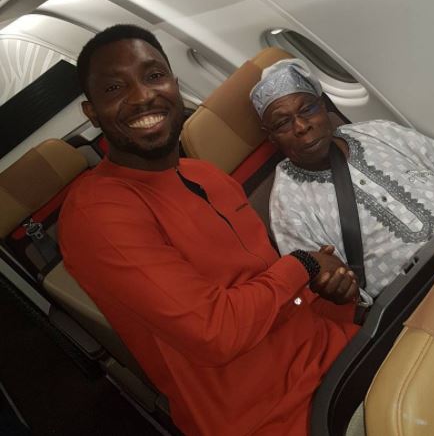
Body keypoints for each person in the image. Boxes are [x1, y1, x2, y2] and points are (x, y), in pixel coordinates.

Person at [59, 24, 360, 436]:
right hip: (274, 416)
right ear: (92, 113)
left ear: (174, 84)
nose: (142, 96)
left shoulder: (207, 175)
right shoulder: (97, 212)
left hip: (337, 354)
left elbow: (274, 291)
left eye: (153, 76)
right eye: (114, 88)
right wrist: (305, 265)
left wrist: (332, 296)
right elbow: (215, 332)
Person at [251, 59, 434, 300]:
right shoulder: (287, 205)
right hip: (422, 289)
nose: (301, 126)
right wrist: (341, 290)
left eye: (307, 110)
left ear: (322, 107)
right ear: (272, 137)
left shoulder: (379, 131)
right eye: (283, 123)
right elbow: (317, 277)